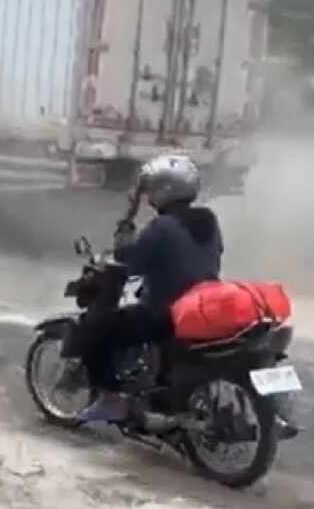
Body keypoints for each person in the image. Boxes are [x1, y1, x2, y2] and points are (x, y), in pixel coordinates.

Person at [57, 154, 224, 424]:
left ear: (165, 191)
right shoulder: (208, 221)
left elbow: (127, 260)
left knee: (98, 330)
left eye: (152, 190)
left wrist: (124, 232)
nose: (148, 197)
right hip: (203, 307)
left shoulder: (162, 227)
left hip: (166, 313)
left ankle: (111, 400)